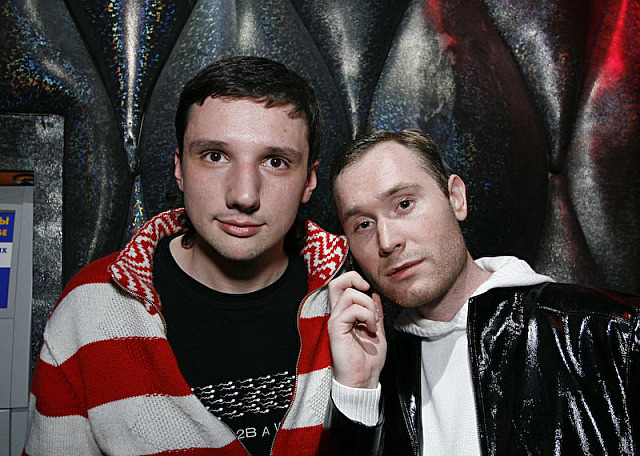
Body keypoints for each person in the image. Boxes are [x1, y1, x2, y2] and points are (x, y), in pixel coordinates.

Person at [24, 56, 349, 456]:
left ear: (309, 181)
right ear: (179, 167)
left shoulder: (353, 294)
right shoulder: (90, 306)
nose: (244, 195)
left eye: (275, 162)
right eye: (215, 155)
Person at [326, 128, 640, 455]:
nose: (387, 241)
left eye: (404, 204)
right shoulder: (382, 371)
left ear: (456, 198)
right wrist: (358, 392)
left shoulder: (612, 332)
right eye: (363, 225)